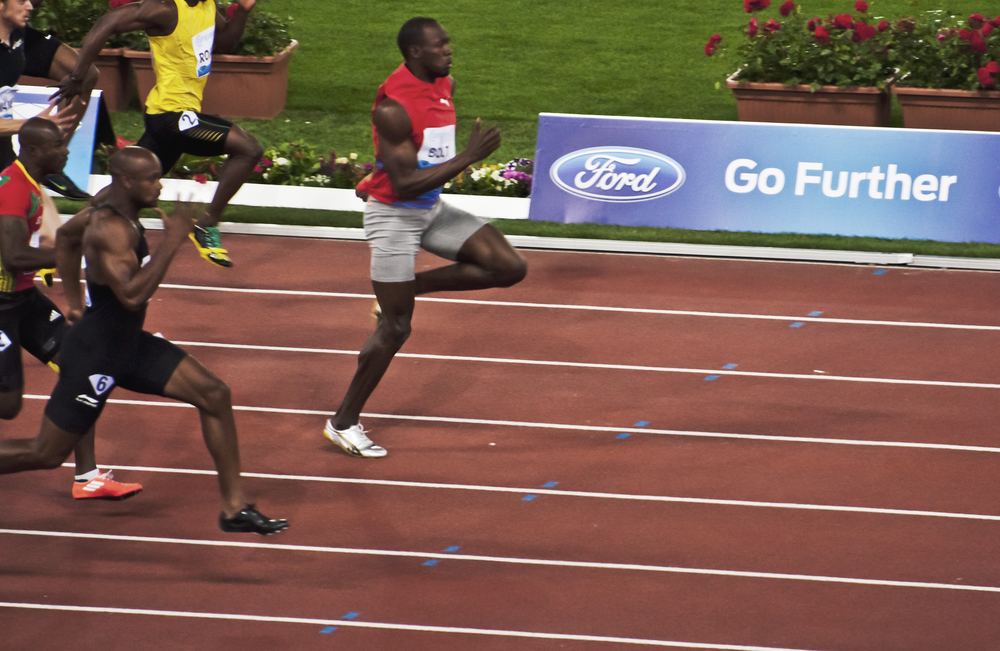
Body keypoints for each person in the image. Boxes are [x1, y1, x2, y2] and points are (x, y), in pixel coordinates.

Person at [0, 141, 287, 534]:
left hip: (127, 345)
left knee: (214, 394)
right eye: (152, 179)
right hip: (96, 354)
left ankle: (234, 508)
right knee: (46, 453)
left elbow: (66, 237)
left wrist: (74, 301)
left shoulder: (110, 203)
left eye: (159, 176)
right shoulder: (109, 228)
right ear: (126, 180)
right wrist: (172, 242)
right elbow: (132, 296)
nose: (160, 186)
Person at [323, 17, 527, 458]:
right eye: (440, 46)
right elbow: (403, 185)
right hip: (394, 214)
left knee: (509, 266)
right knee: (396, 328)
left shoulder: (443, 84)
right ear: (415, 53)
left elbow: (430, 158)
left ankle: (404, 291)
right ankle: (343, 423)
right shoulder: (391, 107)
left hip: (430, 209)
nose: (449, 51)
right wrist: (470, 157)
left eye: (448, 44)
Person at [53, 0, 265, 268]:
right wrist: (77, 76)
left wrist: (243, 11)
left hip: (175, 118)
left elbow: (224, 43)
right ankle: (207, 224)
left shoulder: (206, 7)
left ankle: (63, 241)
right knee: (249, 149)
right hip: (171, 118)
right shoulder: (166, 9)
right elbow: (107, 22)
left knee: (120, 194)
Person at [0, 116, 141, 499]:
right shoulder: (12, 189)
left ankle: (87, 476)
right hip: (1, 304)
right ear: (33, 150)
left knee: (80, 366)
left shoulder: (28, 183)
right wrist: (63, 254)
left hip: (23, 297)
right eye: (58, 146)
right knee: (9, 406)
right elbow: (13, 255)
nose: (66, 151)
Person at [0, 0, 99, 200]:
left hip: (4, 146)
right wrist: (32, 125)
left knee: (83, 74)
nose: (30, 6)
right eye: (21, 1)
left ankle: (50, 161)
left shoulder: (16, 31)